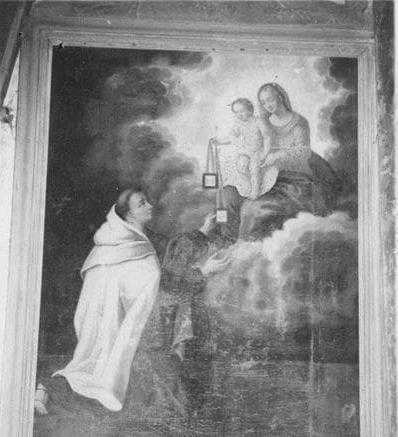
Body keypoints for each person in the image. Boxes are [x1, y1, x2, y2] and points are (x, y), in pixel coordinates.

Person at [50, 188, 160, 411]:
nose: (150, 206)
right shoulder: (112, 245)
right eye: (142, 204)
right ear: (128, 215)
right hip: (114, 326)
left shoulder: (144, 241)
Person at [220, 84, 340, 241]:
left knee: (251, 208)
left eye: (270, 99)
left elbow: (304, 151)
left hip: (291, 178)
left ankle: (243, 248)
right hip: (265, 173)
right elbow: (246, 138)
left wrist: (278, 156)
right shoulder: (262, 121)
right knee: (228, 194)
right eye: (263, 102)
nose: (267, 105)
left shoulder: (297, 122)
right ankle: (227, 240)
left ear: (280, 97)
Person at [160, 213, 229, 414]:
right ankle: (191, 413)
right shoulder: (182, 248)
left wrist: (205, 231)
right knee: (191, 371)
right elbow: (173, 282)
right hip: (187, 321)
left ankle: (198, 411)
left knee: (206, 368)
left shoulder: (214, 242)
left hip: (205, 320)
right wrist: (204, 272)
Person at [215, 98, 274, 201]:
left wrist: (265, 153)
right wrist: (219, 142)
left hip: (258, 151)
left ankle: (255, 191)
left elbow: (267, 137)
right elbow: (231, 137)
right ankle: (248, 188)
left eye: (242, 111)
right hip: (246, 151)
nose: (239, 114)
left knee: (254, 168)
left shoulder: (258, 121)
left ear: (250, 110)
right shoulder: (238, 124)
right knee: (241, 165)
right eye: (236, 112)